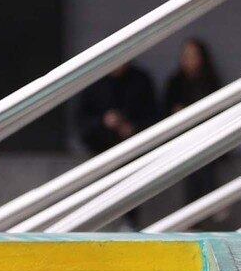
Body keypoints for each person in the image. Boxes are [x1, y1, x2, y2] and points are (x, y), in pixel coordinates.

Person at [77, 62, 158, 228]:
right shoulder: (95, 83)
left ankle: (128, 224)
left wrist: (132, 128)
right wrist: (103, 122)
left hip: (133, 149)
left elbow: (154, 116)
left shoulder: (140, 81)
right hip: (100, 150)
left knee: (130, 189)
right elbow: (81, 122)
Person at [164, 38, 224, 204]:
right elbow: (165, 110)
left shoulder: (210, 81)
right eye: (186, 56)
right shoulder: (175, 82)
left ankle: (212, 203)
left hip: (207, 137)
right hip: (182, 139)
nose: (189, 60)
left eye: (193, 55)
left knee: (204, 163)